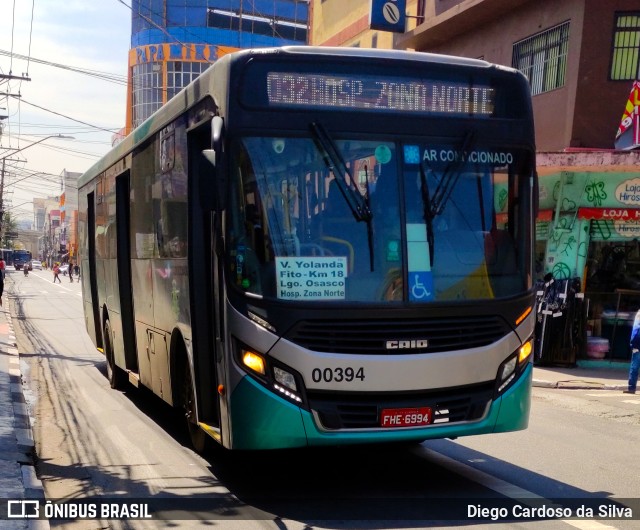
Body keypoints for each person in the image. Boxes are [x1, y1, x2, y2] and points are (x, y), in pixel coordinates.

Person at [626, 309, 640, 394]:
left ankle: (631, 388)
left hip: (637, 346)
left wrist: (633, 344)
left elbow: (636, 331)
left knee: (634, 367)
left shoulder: (638, 315)